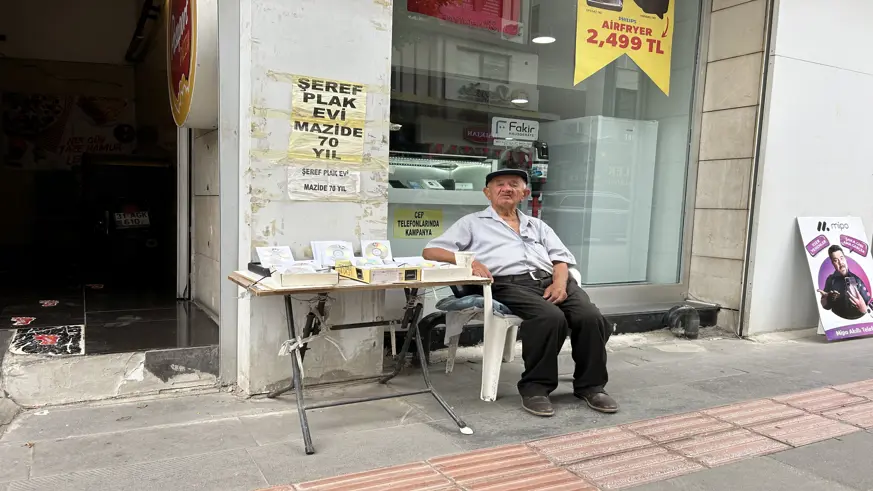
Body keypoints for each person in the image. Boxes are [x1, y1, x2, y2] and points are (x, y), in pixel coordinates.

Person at [423, 168, 617, 417]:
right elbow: (431, 251)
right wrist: (469, 261)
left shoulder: (537, 225)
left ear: (523, 193)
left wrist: (559, 284)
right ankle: (536, 389)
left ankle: (591, 386)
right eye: (499, 185)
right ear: (487, 193)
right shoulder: (472, 223)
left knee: (591, 318)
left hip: (551, 280)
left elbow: (560, 260)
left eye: (514, 184)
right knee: (549, 318)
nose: (506, 188)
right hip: (509, 283)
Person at [819, 245, 871, 320]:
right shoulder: (831, 280)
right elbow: (826, 307)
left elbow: (868, 304)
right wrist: (827, 300)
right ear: (832, 263)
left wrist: (863, 308)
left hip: (857, 324)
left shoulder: (857, 280)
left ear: (845, 258)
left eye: (841, 258)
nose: (840, 263)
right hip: (838, 324)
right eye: (836, 260)